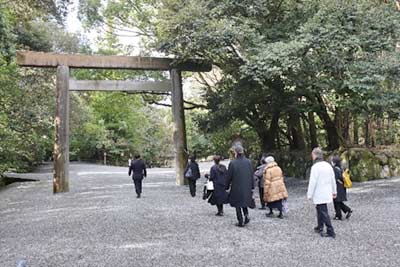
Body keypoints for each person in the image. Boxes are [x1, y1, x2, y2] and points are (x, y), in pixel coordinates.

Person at [307, 147, 337, 238]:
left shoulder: (315, 167)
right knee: (320, 209)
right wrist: (334, 191)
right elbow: (333, 179)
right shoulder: (328, 165)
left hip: (319, 192)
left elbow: (313, 182)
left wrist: (309, 194)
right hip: (326, 192)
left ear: (315, 155)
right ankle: (319, 226)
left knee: (323, 211)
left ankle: (330, 230)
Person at [226, 143, 254, 227]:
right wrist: (252, 186)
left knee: (237, 203)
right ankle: (246, 215)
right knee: (244, 201)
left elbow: (229, 176)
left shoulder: (233, 163)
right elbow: (251, 174)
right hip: (247, 186)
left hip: (236, 186)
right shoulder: (248, 162)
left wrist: (227, 186)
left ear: (236, 152)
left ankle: (240, 220)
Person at [331, 156, 353, 220]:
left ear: (335, 162)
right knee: (338, 202)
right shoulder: (341, 168)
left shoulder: (335, 169)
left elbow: (335, 178)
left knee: (336, 202)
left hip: (337, 187)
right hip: (342, 187)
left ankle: (339, 215)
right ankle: (346, 211)